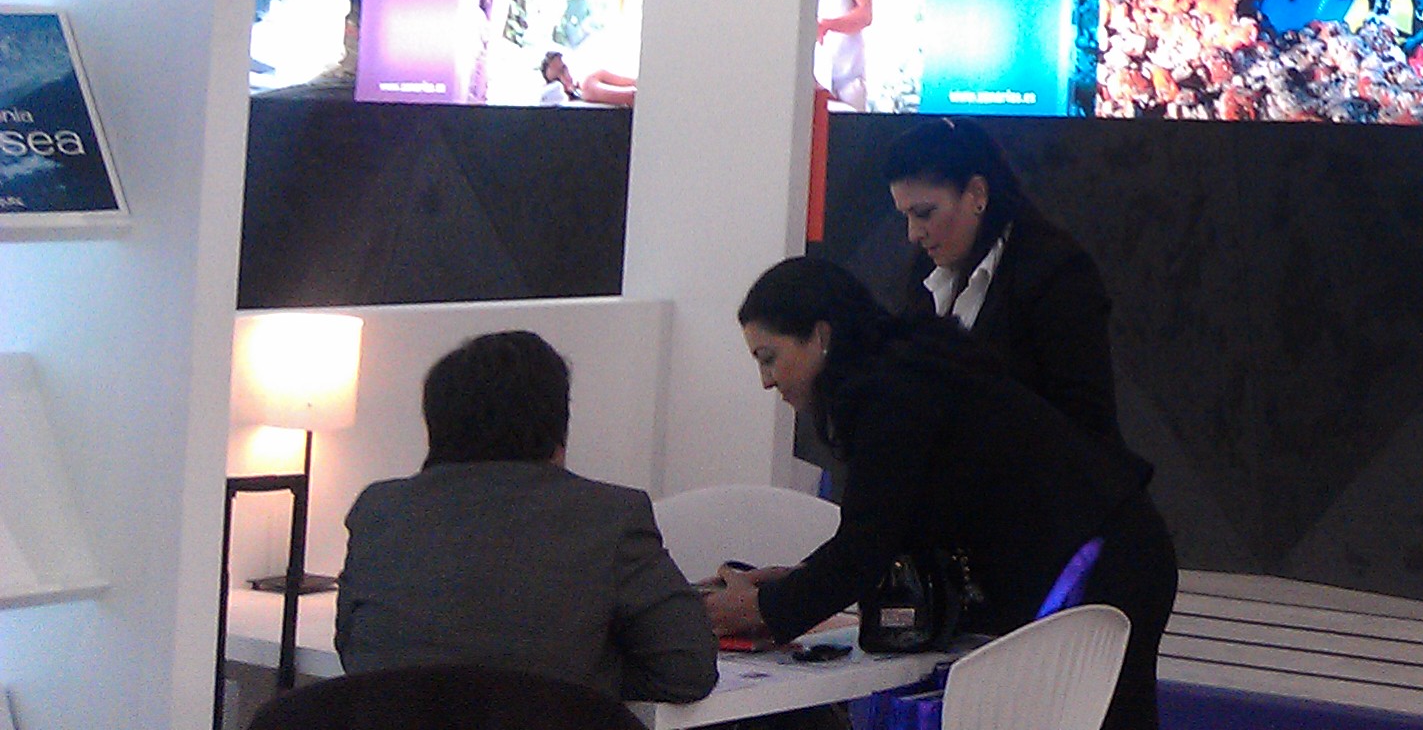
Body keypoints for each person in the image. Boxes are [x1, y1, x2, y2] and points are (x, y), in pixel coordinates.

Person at [707, 258, 1177, 730]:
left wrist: (761, 609)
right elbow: (888, 525)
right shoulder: (905, 368)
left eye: (769, 357)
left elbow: (866, 548)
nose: (766, 380)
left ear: (820, 336)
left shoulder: (891, 394)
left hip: (1096, 565)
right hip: (1116, 549)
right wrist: (796, 580)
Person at [336, 331, 717, 704]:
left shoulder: (378, 509)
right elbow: (688, 669)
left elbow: (355, 650)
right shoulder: (610, 515)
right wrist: (593, 670)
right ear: (557, 427)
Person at [881, 118, 1128, 448]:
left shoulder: (1056, 272)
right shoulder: (923, 274)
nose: (913, 234)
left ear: (977, 194)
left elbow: (1084, 421)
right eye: (906, 216)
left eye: (924, 213)